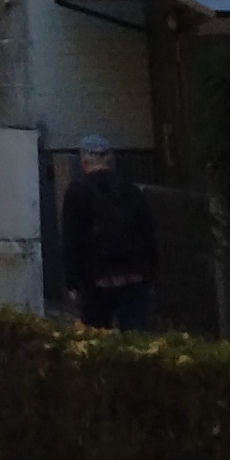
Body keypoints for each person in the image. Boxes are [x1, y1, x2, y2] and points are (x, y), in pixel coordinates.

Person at [58, 131, 156, 330]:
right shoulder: (131, 190)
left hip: (97, 278)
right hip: (133, 276)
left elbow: (72, 238)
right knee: (135, 338)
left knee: (96, 340)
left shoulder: (77, 191)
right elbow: (148, 233)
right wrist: (149, 272)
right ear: (110, 160)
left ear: (84, 161)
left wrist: (72, 282)